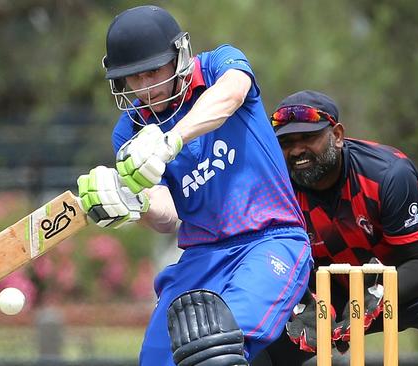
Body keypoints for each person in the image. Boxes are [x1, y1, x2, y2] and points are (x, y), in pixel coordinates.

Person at [76, 5, 313, 366]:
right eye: (132, 78)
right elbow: (168, 216)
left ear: (179, 55)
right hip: (201, 257)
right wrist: (134, 204)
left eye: (153, 71)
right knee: (158, 358)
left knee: (217, 350)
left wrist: (172, 140)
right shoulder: (129, 131)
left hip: (271, 241)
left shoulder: (220, 64)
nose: (144, 88)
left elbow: (232, 93)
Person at [256, 90, 418, 366]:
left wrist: (377, 296)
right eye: (286, 142)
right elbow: (283, 264)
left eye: (308, 138)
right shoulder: (278, 191)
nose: (297, 150)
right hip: (344, 292)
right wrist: (303, 302)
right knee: (255, 354)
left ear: (337, 135)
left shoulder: (388, 174)